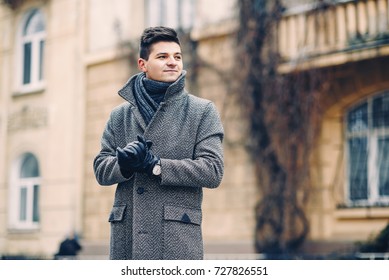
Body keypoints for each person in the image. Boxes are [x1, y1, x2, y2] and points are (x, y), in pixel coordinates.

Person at [93, 26, 224, 260]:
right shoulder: (119, 115)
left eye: (177, 56)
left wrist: (156, 165)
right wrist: (124, 165)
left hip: (176, 239)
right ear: (142, 64)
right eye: (162, 56)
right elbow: (101, 168)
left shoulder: (202, 111)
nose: (172, 62)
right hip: (127, 240)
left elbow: (212, 171)